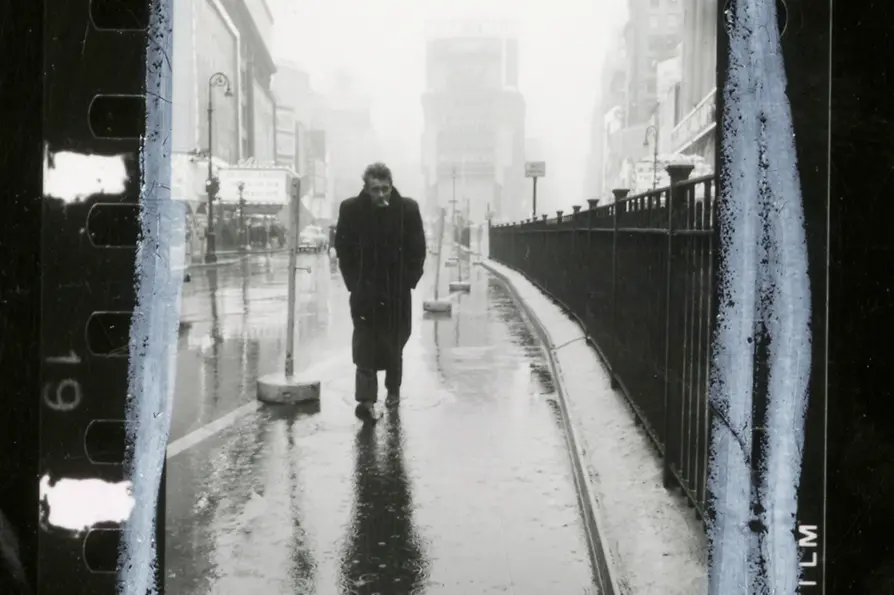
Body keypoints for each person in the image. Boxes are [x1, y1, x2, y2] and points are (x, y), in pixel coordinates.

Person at [335, 163, 427, 421]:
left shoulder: (407, 209)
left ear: (391, 186)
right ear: (366, 188)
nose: (381, 195)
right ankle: (365, 400)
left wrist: (410, 279)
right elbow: (342, 248)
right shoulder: (351, 209)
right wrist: (353, 282)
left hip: (396, 292)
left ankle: (393, 389)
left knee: (395, 341)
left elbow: (418, 248)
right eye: (375, 189)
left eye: (385, 189)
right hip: (365, 291)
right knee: (364, 343)